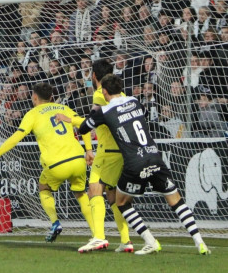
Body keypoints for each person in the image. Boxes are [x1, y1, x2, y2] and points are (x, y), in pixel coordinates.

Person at [56, 74, 211, 255]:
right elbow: (143, 115)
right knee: (176, 201)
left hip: (134, 162)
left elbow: (83, 129)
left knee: (121, 202)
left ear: (104, 92)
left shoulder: (104, 112)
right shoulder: (136, 102)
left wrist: (79, 118)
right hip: (154, 156)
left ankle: (150, 241)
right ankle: (200, 243)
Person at [0, 82, 94, 243]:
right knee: (81, 194)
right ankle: (96, 235)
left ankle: (55, 223)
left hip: (56, 163)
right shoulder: (63, 108)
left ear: (34, 97)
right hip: (78, 159)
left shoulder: (32, 114)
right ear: (52, 97)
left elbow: (16, 138)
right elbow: (84, 124)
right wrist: (89, 150)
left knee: (44, 188)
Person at [70, 59, 132, 253]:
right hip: (122, 151)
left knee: (94, 191)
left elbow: (94, 119)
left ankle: (99, 237)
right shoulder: (122, 95)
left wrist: (71, 120)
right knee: (114, 198)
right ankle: (126, 240)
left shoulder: (99, 93)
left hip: (107, 152)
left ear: (94, 76)